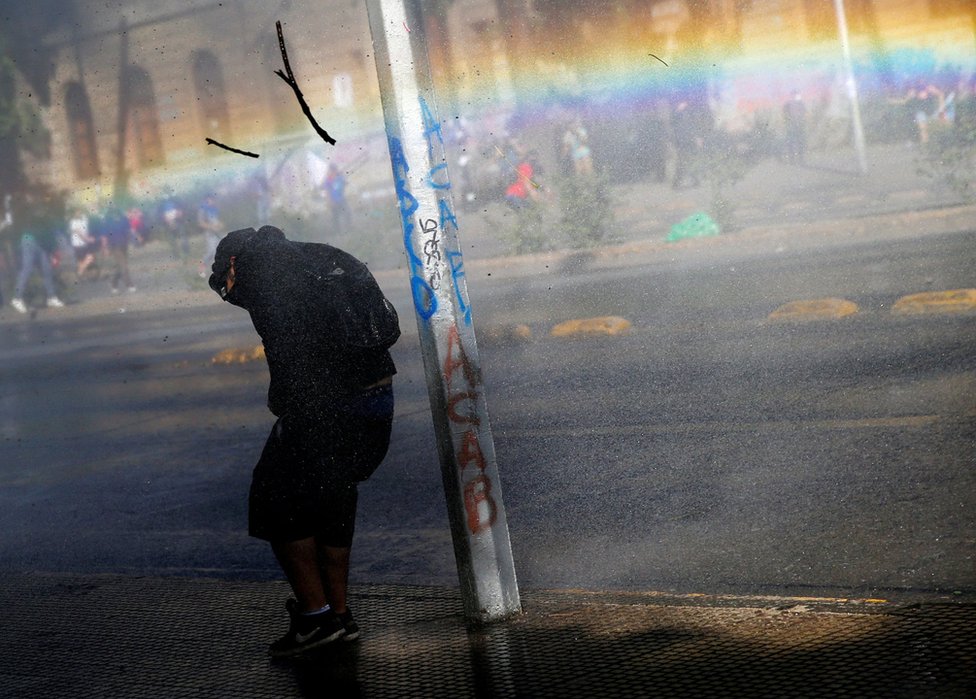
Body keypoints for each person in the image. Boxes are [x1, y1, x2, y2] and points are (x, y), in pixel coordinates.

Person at [208, 225, 398, 657]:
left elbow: (293, 355)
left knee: (276, 502)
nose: (230, 291)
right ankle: (339, 616)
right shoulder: (318, 255)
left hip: (323, 407)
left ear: (235, 263)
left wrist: (290, 406)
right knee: (333, 498)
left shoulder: (261, 270)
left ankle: (314, 619)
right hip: (377, 396)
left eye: (225, 279)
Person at [10, 194, 65, 314]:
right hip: (31, 240)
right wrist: (54, 251)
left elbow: (47, 233)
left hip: (35, 241)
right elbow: (48, 233)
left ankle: (51, 297)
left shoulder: (41, 211)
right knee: (28, 269)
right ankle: (17, 298)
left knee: (46, 269)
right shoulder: (45, 213)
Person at [96, 204, 135, 294]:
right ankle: (129, 284)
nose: (114, 210)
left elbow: (128, 230)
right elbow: (104, 236)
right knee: (123, 265)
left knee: (119, 266)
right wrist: (105, 248)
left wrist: (132, 240)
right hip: (114, 245)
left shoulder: (123, 218)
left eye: (115, 208)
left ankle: (113, 284)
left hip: (124, 244)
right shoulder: (106, 221)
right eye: (112, 209)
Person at [196, 195, 223, 278]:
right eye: (210, 200)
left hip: (217, 233)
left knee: (219, 251)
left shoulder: (214, 209)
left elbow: (217, 221)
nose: (212, 201)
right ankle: (201, 268)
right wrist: (211, 227)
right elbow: (201, 223)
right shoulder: (203, 210)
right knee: (210, 252)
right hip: (209, 233)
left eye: (213, 200)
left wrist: (220, 225)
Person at [322, 164, 352, 233]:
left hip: (341, 199)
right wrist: (329, 201)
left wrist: (343, 177)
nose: (331, 172)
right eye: (331, 170)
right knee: (336, 216)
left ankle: (348, 228)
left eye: (334, 170)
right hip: (333, 200)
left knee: (347, 213)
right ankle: (337, 231)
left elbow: (346, 182)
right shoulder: (328, 179)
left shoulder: (340, 177)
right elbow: (327, 191)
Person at [68, 207, 98, 278]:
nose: (78, 213)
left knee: (86, 259)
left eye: (80, 211)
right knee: (86, 259)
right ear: (74, 213)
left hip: (84, 244)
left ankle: (81, 274)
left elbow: (91, 222)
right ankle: (80, 273)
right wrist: (88, 239)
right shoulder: (73, 222)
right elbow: (79, 233)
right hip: (78, 244)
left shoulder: (84, 219)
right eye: (77, 212)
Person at [782, 90, 807, 165]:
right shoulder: (788, 104)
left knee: (799, 142)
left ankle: (800, 159)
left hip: (798, 125)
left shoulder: (800, 103)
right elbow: (785, 114)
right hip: (792, 125)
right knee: (792, 142)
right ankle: (792, 159)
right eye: (793, 95)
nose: (794, 97)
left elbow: (804, 113)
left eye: (795, 95)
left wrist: (802, 120)